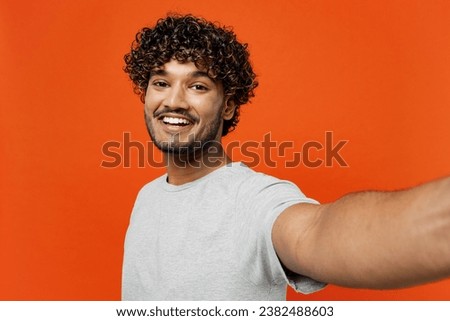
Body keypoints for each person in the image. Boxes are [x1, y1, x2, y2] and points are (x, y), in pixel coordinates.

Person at [121, 14, 450, 300]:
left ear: (229, 106)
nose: (174, 100)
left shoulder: (253, 200)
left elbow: (314, 232)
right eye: (161, 82)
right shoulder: (146, 198)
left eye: (198, 86)